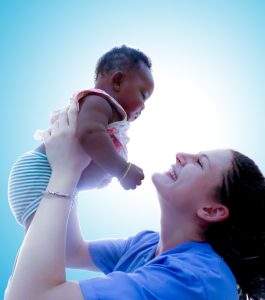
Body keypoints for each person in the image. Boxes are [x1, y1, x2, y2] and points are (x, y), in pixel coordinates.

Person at [5, 103, 265, 300]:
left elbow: (29, 296)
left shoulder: (196, 279)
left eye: (199, 162)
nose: (181, 155)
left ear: (211, 210)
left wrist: (65, 172)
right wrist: (67, 162)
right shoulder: (147, 244)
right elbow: (71, 251)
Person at [8, 45, 154, 230]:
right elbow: (90, 135)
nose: (144, 106)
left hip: (56, 183)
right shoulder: (99, 101)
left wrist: (102, 176)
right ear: (117, 81)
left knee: (55, 245)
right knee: (48, 242)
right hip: (40, 173)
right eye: (143, 94)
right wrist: (121, 170)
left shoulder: (105, 114)